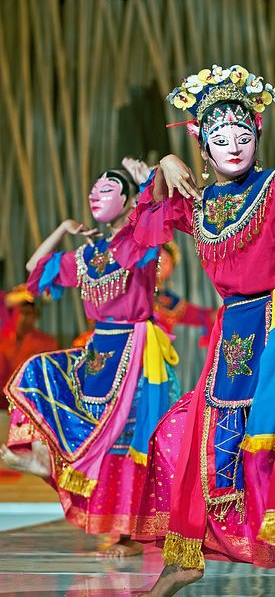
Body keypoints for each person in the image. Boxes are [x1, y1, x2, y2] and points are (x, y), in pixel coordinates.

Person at [113, 65, 275, 597]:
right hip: (232, 340)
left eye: (244, 135)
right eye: (220, 137)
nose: (233, 145)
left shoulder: (273, 189)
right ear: (204, 145)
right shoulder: (200, 203)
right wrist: (165, 158)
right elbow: (154, 202)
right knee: (196, 440)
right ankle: (188, 558)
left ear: (257, 139)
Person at [0, 162, 180, 557]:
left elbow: (162, 212)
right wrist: (63, 230)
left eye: (108, 188)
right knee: (37, 372)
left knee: (131, 440)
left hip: (135, 353)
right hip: (99, 350)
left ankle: (132, 535)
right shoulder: (88, 255)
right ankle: (45, 460)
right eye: (94, 188)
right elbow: (34, 271)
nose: (96, 194)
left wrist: (151, 180)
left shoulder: (139, 243)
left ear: (128, 200)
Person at [0, 286, 58, 410]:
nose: (23, 318)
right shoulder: (3, 341)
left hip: (33, 409)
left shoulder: (48, 343)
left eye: (27, 313)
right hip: (3, 408)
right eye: (19, 312)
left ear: (36, 316)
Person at [155, 241, 216, 347]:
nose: (161, 264)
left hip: (158, 353)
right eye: (158, 259)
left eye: (166, 261)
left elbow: (199, 315)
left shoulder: (170, 301)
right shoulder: (133, 286)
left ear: (171, 270)